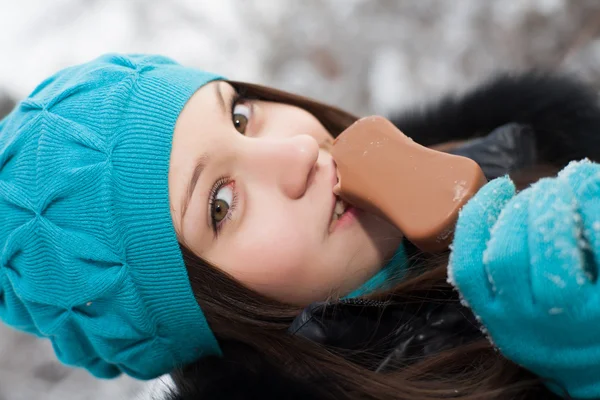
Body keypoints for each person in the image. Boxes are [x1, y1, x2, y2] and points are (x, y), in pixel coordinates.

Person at [1, 54, 599, 400]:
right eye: (219, 205)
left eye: (240, 115)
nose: (294, 153)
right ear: (204, 314)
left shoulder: (533, 144)